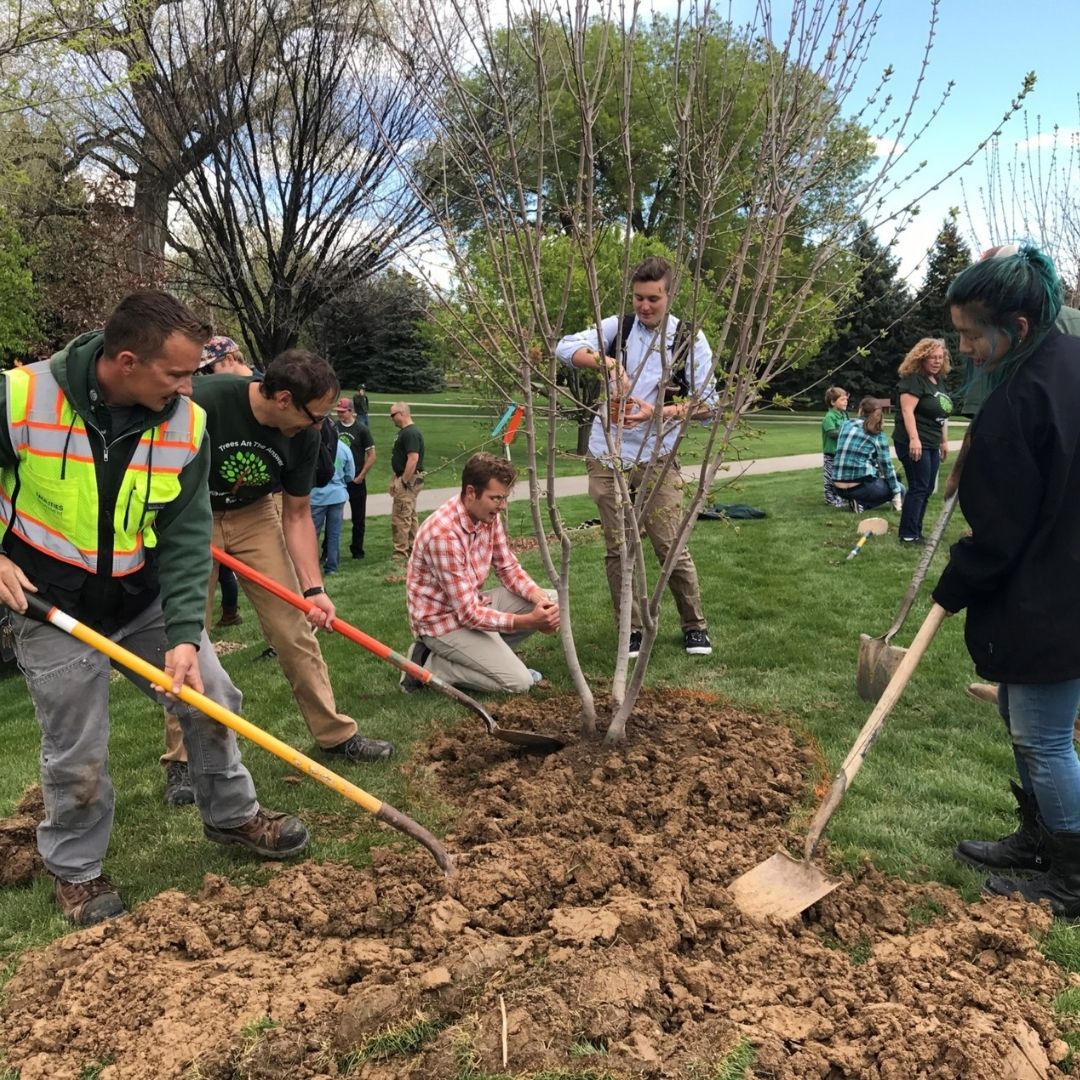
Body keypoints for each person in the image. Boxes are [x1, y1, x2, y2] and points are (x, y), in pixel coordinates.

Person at [0, 291, 309, 926]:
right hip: (46, 603)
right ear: (126, 361)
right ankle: (77, 871)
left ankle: (231, 816)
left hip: (139, 599)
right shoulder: (20, 398)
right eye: (176, 373)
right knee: (78, 743)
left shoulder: (183, 423)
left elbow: (188, 533)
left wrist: (184, 636)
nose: (188, 384)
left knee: (211, 697)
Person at [160, 348, 394, 802]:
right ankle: (183, 763)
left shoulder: (305, 433)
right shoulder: (203, 401)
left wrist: (313, 589)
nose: (322, 424)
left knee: (294, 630)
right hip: (192, 518)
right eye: (317, 414)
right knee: (187, 639)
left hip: (256, 517)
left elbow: (298, 513)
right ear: (284, 399)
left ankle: (335, 734)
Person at [931, 245, 1080, 917]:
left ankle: (1074, 875)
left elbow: (998, 537)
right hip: (1058, 574)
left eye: (970, 336)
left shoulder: (1020, 399)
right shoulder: (1065, 357)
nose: (963, 349)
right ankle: (1039, 838)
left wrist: (955, 582)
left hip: (1053, 589)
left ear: (1016, 328)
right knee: (1016, 714)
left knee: (1044, 734)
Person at [556, 255, 717, 660]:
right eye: (639, 298)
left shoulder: (688, 340)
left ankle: (694, 625)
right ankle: (630, 630)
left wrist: (657, 413)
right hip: (606, 454)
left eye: (654, 299)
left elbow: (707, 405)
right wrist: (608, 364)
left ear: (670, 295)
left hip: (658, 455)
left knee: (669, 545)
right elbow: (565, 346)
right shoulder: (618, 327)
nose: (645, 307)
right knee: (619, 547)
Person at [402, 453, 559, 693]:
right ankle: (429, 664)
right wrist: (529, 621)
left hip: (472, 605)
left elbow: (508, 568)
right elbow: (468, 615)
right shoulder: (443, 535)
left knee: (553, 600)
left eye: (504, 498)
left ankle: (490, 656)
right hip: (443, 625)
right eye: (496, 498)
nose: (502, 506)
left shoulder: (487, 515)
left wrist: (540, 602)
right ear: (471, 492)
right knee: (519, 683)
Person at [197, 336, 258, 627]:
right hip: (211, 504)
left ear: (230, 360)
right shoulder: (212, 397)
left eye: (209, 370)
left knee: (271, 586)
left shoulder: (262, 390)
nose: (204, 379)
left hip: (259, 504)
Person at [893, 338, 952, 545]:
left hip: (932, 441)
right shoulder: (914, 381)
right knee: (918, 486)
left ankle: (916, 531)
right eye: (932, 358)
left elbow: (942, 414)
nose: (937, 361)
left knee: (926, 488)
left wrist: (944, 442)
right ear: (921, 358)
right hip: (913, 441)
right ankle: (908, 534)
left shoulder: (938, 381)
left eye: (940, 357)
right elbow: (907, 411)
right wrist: (914, 439)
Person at [831, 398, 905, 512]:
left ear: (860, 410)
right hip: (860, 486)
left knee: (877, 479)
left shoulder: (845, 425)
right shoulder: (878, 435)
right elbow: (887, 467)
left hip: (837, 486)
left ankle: (856, 501)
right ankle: (862, 504)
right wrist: (896, 492)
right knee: (901, 488)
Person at [335, 398, 375, 559]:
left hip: (356, 479)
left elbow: (372, 455)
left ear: (351, 411)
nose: (339, 414)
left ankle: (357, 550)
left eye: (342, 412)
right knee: (333, 516)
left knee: (358, 518)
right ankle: (328, 551)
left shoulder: (361, 429)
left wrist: (361, 475)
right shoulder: (334, 428)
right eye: (338, 411)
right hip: (338, 480)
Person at [310, 434, 354, 575]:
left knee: (312, 534)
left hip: (317, 496)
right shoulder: (344, 448)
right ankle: (332, 567)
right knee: (334, 534)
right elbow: (350, 474)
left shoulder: (314, 446)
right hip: (337, 495)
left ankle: (311, 566)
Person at [389, 402, 424, 561]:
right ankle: (414, 549)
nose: (391, 419)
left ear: (402, 413)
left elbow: (413, 459)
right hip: (402, 477)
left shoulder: (410, 433)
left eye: (393, 415)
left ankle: (400, 554)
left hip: (408, 480)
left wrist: (403, 481)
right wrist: (394, 478)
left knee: (401, 517)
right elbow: (400, 459)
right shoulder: (404, 432)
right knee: (409, 515)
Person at [821, 386, 850, 508]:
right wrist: (846, 431)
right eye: (842, 400)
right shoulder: (829, 417)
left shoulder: (844, 415)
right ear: (833, 402)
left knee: (841, 477)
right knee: (830, 477)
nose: (846, 402)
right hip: (831, 453)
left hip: (842, 453)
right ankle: (830, 498)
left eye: (846, 399)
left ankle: (841, 497)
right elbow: (831, 433)